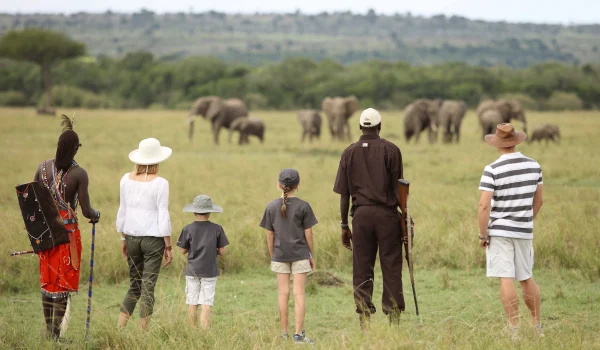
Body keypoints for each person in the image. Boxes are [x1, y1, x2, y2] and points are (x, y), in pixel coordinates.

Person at [333, 108, 405, 327]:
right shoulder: (392, 150)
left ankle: (364, 318)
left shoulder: (349, 152)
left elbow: (344, 194)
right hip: (387, 216)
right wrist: (406, 218)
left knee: (362, 266)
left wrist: (344, 224)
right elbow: (399, 189)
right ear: (380, 126)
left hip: (361, 216)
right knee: (391, 265)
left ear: (360, 127)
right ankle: (393, 319)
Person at [33, 115, 101, 340]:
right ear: (75, 149)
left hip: (44, 234)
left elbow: (31, 200)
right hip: (67, 235)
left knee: (48, 282)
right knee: (63, 284)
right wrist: (96, 215)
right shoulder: (79, 174)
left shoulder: (42, 167)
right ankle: (55, 334)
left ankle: (49, 332)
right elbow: (86, 211)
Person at [478, 123, 544, 340]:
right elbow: (539, 200)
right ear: (516, 141)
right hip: (524, 230)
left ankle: (513, 328)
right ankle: (537, 325)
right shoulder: (534, 166)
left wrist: (483, 234)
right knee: (526, 276)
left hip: (499, 230)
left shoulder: (492, 169)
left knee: (506, 277)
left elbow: (484, 206)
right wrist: (525, 219)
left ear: (497, 144)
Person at [116, 138, 173, 330]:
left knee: (134, 285)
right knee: (148, 286)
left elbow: (122, 210)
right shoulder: (161, 183)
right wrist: (168, 244)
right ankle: (143, 333)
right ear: (157, 161)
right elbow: (162, 214)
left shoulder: (125, 179)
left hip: (131, 237)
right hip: (153, 239)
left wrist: (123, 238)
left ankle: (119, 329)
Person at [260, 169, 317, 344]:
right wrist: (311, 254)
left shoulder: (271, 206)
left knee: (282, 294)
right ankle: (298, 335)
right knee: (299, 294)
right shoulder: (304, 206)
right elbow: (309, 234)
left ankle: (284, 333)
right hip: (300, 254)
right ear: (298, 185)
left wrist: (273, 255)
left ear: (278, 184)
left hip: (279, 254)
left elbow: (270, 236)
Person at [176, 195, 229, 329]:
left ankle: (192, 330)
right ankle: (204, 332)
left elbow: (183, 251)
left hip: (192, 270)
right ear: (210, 212)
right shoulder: (217, 228)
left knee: (192, 302)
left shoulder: (188, 228)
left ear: (194, 211)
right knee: (206, 303)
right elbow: (222, 252)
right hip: (210, 271)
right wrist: (212, 251)